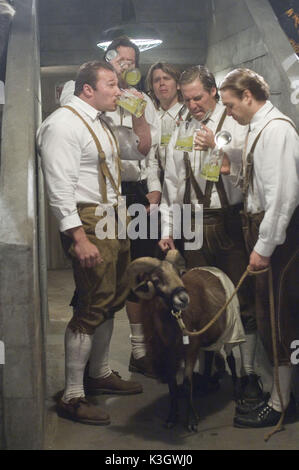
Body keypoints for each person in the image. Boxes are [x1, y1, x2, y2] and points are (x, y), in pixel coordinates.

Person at [37, 61, 145, 426]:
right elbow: (59, 189)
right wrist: (78, 238)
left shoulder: (101, 121)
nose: (120, 90)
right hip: (89, 222)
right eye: (112, 84)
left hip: (112, 218)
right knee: (91, 304)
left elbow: (134, 155)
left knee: (111, 299)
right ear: (88, 89)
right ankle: (72, 395)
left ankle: (98, 373)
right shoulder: (63, 125)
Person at [159, 65, 263, 399]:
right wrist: (167, 229)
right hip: (192, 225)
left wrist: (221, 151)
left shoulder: (234, 123)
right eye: (187, 100)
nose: (193, 106)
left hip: (229, 222)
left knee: (241, 300)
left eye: (198, 98)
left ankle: (247, 375)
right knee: (198, 302)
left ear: (214, 92)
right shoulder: (181, 131)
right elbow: (172, 183)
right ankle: (206, 371)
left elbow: (252, 175)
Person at [59, 36, 160, 378]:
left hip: (127, 194)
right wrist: (77, 235)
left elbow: (143, 150)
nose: (128, 71)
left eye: (133, 64)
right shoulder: (79, 99)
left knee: (124, 282)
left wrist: (138, 114)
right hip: (92, 202)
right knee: (92, 292)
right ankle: (79, 381)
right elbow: (74, 135)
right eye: (122, 64)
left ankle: (111, 365)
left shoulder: (129, 103)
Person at [219, 68, 299, 428]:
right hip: (261, 230)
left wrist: (264, 247)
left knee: (279, 319)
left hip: (278, 240)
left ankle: (283, 403)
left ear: (249, 96)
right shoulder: (256, 129)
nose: (229, 112)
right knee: (268, 318)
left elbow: (283, 196)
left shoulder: (277, 130)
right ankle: (277, 395)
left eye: (231, 105)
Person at [146, 62, 188, 188]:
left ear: (178, 85)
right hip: (159, 183)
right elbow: (150, 158)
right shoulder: (151, 118)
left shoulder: (189, 114)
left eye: (167, 78)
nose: (161, 83)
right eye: (157, 80)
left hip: (186, 183)